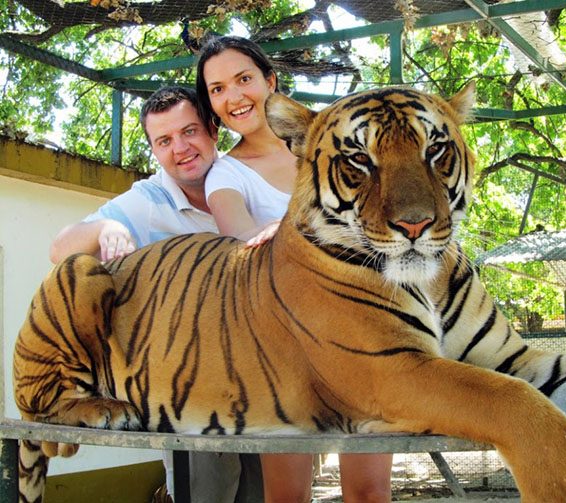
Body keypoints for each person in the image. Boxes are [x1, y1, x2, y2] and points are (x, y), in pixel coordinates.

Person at [196, 35, 394, 502]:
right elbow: (241, 239)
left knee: (370, 493)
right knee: (287, 497)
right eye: (217, 89)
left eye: (243, 79)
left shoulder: (343, 137)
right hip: (283, 349)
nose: (233, 96)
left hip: (369, 334)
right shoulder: (226, 174)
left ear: (270, 80)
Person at [49, 85, 263, 503]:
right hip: (192, 384)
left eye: (189, 131)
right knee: (206, 491)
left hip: (263, 376)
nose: (180, 148)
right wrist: (106, 228)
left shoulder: (246, 177)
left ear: (213, 129)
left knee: (267, 493)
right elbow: (60, 250)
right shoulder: (149, 199)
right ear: (153, 149)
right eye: (164, 141)